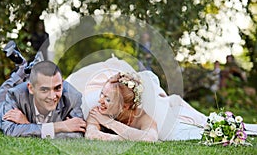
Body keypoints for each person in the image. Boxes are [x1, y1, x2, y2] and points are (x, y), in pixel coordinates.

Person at [66, 56, 257, 142]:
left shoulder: (141, 114)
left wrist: (110, 124)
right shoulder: (96, 108)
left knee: (204, 124)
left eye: (107, 99)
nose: (100, 101)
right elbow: (92, 135)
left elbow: (150, 138)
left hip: (171, 113)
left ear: (124, 106)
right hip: (162, 112)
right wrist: (111, 127)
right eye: (102, 94)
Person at [0, 41, 86, 139]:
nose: (52, 96)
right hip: (2, 108)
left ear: (62, 82)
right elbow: (11, 130)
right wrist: (60, 126)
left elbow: (78, 133)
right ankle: (21, 69)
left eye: (57, 88)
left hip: (34, 87)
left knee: (39, 80)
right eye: (45, 90)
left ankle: (31, 68)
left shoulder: (73, 97)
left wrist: (27, 124)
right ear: (30, 89)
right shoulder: (15, 94)